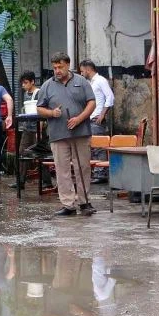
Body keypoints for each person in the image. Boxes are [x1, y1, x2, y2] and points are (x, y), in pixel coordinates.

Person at [36, 52, 96, 216]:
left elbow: (92, 102)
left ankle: (85, 202)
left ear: (68, 65)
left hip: (80, 132)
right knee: (62, 169)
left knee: (82, 167)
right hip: (58, 134)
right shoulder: (47, 85)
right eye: (54, 67)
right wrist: (51, 113)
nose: (57, 70)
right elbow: (39, 108)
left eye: (60, 67)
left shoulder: (81, 81)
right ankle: (68, 204)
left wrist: (80, 118)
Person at [10, 71, 53, 189]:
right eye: (22, 83)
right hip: (27, 128)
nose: (24, 85)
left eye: (26, 83)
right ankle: (21, 181)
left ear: (32, 82)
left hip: (37, 128)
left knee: (40, 154)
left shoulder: (39, 93)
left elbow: (42, 111)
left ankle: (47, 181)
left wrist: (40, 130)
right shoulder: (26, 94)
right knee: (22, 153)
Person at [79, 60, 114, 184]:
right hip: (90, 119)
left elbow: (110, 97)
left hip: (96, 120)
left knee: (99, 147)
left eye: (82, 71)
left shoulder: (100, 81)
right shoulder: (90, 83)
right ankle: (98, 173)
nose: (82, 74)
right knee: (93, 147)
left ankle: (101, 174)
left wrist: (102, 114)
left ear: (88, 69)